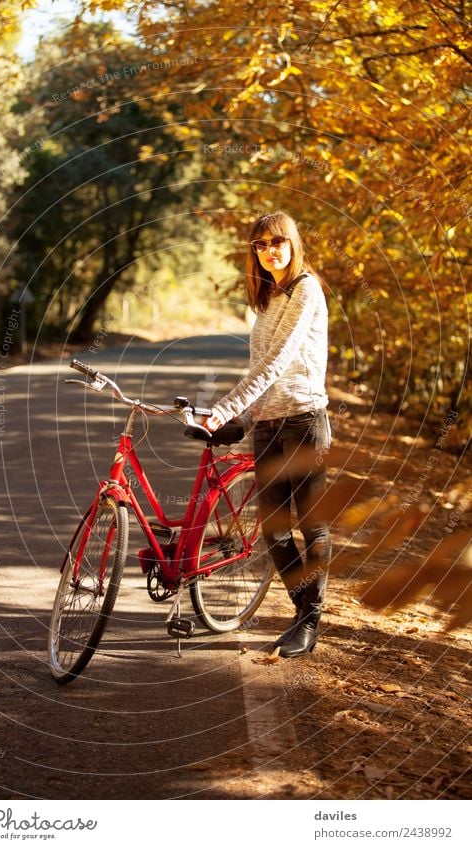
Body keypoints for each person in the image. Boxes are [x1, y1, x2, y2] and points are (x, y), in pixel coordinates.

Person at [204, 210, 331, 658]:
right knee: (275, 531)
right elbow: (260, 370)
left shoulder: (306, 289)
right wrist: (244, 417)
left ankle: (309, 623)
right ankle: (304, 613)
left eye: (277, 242)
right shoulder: (270, 298)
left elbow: (278, 363)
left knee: (312, 526)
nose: (268, 251)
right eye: (259, 245)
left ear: (293, 244)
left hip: (303, 422)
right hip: (269, 425)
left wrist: (224, 408)